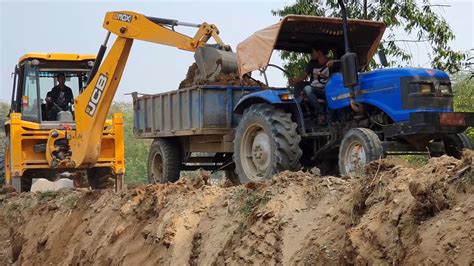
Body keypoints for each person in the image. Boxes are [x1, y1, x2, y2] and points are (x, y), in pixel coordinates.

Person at [289, 47, 338, 122]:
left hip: (327, 90)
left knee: (333, 92)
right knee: (307, 89)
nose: (311, 55)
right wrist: (295, 80)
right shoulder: (312, 63)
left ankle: (330, 119)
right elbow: (303, 77)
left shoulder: (331, 63)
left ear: (319, 52)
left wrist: (325, 76)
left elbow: (336, 78)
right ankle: (320, 113)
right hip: (315, 89)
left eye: (312, 52)